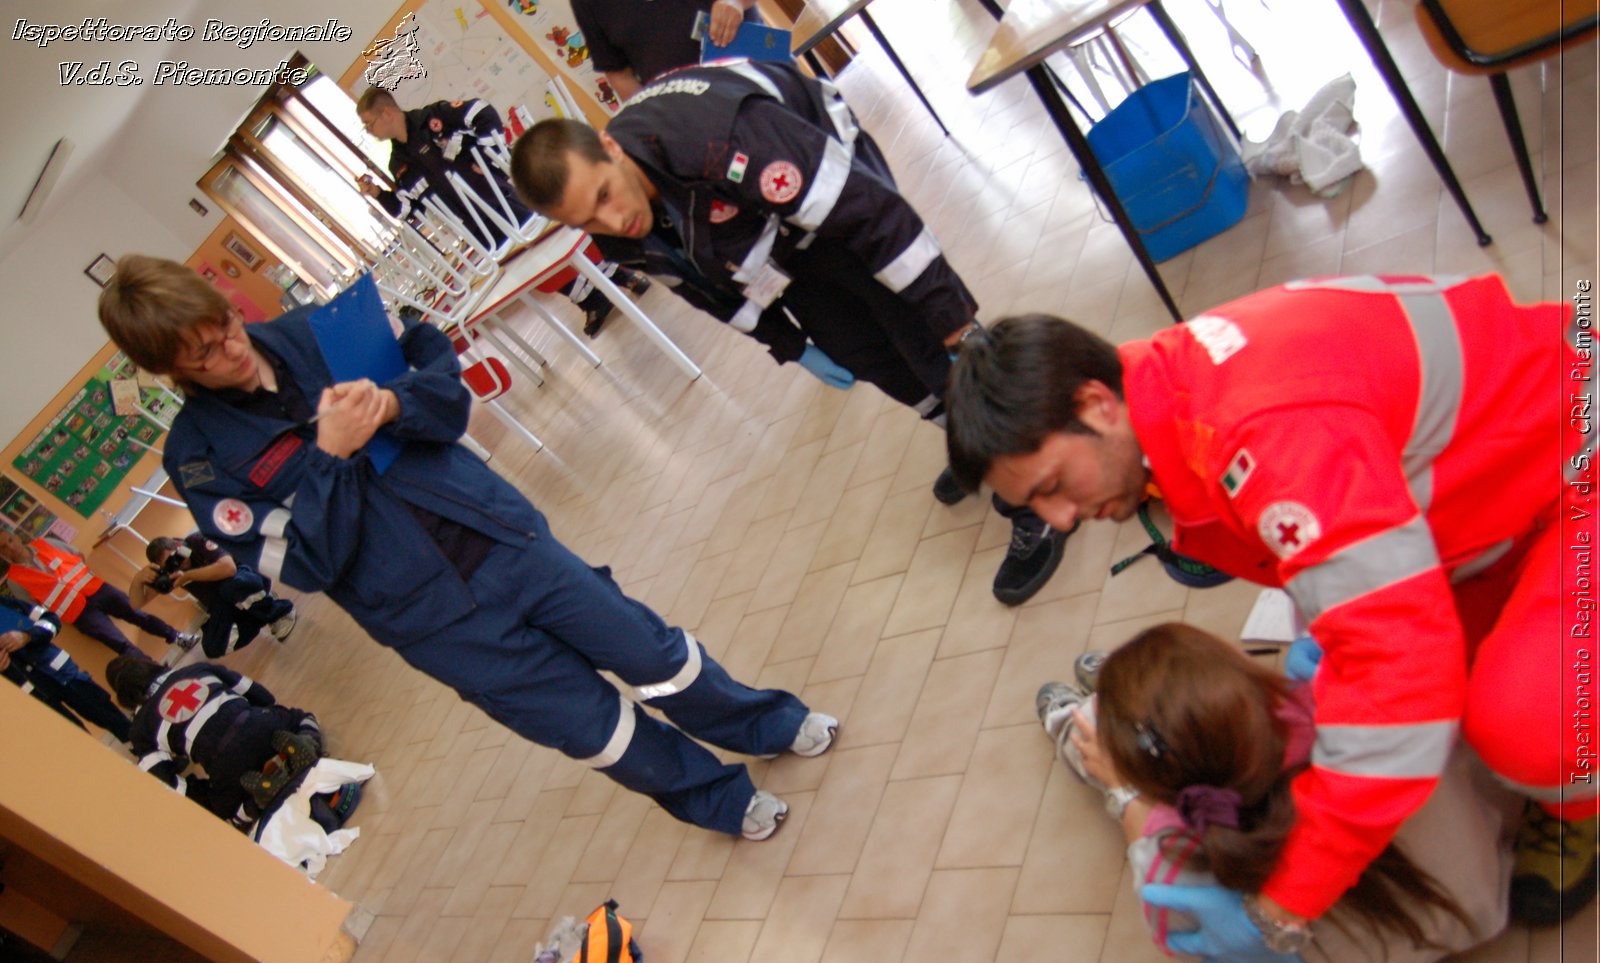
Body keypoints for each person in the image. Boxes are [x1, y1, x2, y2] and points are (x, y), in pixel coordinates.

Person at [942, 280, 1594, 963]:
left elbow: (1402, 680)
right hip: (1502, 482)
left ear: (1096, 405)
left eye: (1053, 485)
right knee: (1408, 690)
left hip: (1574, 467)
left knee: (1527, 722)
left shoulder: (1258, 432)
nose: (1062, 520)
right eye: (1035, 507)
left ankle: (1578, 812)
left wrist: (1284, 906)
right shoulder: (1165, 397)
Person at [97, 254, 835, 841]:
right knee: (591, 726)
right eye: (201, 355)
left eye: (223, 325)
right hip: (434, 620)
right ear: (171, 370)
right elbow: (304, 567)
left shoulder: (322, 330)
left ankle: (764, 722)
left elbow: (447, 396)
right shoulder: (199, 459)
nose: (227, 349)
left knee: (652, 652)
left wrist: (390, 404)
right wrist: (328, 455)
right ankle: (713, 798)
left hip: (503, 538)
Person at [511, 60, 1072, 605]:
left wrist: (954, 324)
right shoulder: (618, 230)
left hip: (830, 183)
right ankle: (971, 439)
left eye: (605, 196)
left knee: (927, 350)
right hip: (772, 240)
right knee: (871, 358)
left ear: (610, 147)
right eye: (586, 220)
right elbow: (704, 288)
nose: (611, 223)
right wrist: (791, 344)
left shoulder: (717, 139)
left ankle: (1034, 488)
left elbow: (871, 212)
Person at [1037, 623, 1514, 963]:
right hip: (1476, 903)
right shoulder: (1373, 716)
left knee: (1104, 758)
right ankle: (1140, 716)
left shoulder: (1175, 873)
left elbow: (1183, 939)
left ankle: (1082, 728)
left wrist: (1124, 794)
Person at [354, 88, 650, 338]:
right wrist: (379, 195)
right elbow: (408, 208)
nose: (369, 131)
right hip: (474, 225)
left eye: (369, 124)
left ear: (387, 113)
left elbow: (483, 113)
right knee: (528, 265)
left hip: (500, 198)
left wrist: (489, 153)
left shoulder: (435, 117)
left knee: (551, 243)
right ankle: (590, 299)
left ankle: (620, 276)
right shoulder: (399, 163)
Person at [106, 655, 340, 832]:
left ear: (124, 698)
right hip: (260, 726)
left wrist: (207, 794)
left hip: (226, 765)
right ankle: (306, 743)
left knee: (220, 811)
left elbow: (169, 784)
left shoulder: (140, 731)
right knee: (300, 717)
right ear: (148, 664)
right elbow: (260, 694)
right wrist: (264, 715)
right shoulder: (197, 668)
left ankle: (251, 804)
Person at [0, 529, 197, 661]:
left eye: (9, 540)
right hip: (77, 613)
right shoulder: (14, 580)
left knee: (138, 614)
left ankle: (178, 637)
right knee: (117, 642)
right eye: (3, 547)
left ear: (16, 537)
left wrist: (79, 579)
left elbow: (77, 555)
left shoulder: (45, 543)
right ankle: (152, 673)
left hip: (98, 589)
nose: (10, 547)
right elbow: (34, 609)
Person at [129, 533, 297, 658]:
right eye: (171, 564)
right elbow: (136, 604)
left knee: (231, 587)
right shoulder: (171, 572)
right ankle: (259, 611)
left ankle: (280, 612)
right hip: (223, 604)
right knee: (213, 647)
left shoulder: (197, 541)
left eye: (176, 557)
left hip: (244, 580)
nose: (178, 563)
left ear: (178, 544)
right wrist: (138, 580)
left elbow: (228, 569)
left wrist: (188, 576)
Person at [570, 0, 765, 101]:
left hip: (758, 77)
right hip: (693, 117)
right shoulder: (587, 4)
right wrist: (658, 116)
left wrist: (736, 2)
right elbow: (619, 74)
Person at [0, 595, 130, 742]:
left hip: (64, 674)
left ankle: (146, 748)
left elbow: (51, 620)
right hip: (34, 695)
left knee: (114, 719)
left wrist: (27, 636)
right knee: (78, 740)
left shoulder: (6, 604)